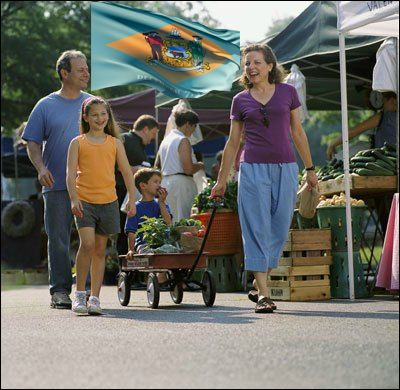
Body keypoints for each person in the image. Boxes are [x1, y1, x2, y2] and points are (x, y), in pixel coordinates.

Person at [211, 44, 318, 313]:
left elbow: (298, 132)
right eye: (247, 63)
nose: (251, 67)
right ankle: (264, 295)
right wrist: (222, 180)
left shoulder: (288, 93)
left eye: (257, 62)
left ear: (270, 65)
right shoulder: (240, 100)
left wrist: (310, 169)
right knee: (256, 227)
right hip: (252, 169)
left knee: (280, 227)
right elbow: (233, 143)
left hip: (285, 167)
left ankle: (260, 283)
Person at [22, 50, 91, 309]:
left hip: (90, 184)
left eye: (87, 68)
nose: (86, 72)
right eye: (80, 69)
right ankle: (60, 292)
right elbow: (32, 141)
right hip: (57, 186)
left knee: (93, 239)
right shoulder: (45, 105)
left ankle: (88, 291)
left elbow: (110, 140)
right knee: (59, 240)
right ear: (65, 73)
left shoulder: (93, 104)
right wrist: (40, 168)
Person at [66, 96, 136, 315]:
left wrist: (132, 199)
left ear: (108, 116)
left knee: (99, 250)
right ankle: (79, 294)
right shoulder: (77, 142)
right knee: (86, 244)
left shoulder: (115, 143)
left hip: (108, 202)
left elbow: (126, 172)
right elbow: (69, 174)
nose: (99, 118)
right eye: (94, 115)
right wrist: (73, 198)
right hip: (84, 201)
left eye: (103, 114)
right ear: (86, 117)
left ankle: (95, 298)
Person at [115, 115, 160, 255]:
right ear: (145, 129)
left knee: (132, 232)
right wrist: (138, 169)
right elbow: (116, 165)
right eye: (153, 133)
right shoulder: (125, 139)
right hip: (122, 193)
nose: (152, 139)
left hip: (132, 195)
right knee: (125, 232)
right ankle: (124, 270)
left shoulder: (137, 144)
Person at [125, 168, 172, 285]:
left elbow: (168, 222)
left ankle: (163, 276)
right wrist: (131, 249)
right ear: (143, 185)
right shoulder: (136, 207)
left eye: (160, 182)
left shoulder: (161, 204)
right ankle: (159, 276)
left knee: (173, 250)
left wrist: (161, 202)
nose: (159, 185)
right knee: (149, 252)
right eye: (155, 182)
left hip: (163, 242)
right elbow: (131, 231)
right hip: (143, 244)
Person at [156, 109, 204, 222]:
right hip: (181, 185)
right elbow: (188, 169)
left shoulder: (165, 140)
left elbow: (157, 165)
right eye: (194, 127)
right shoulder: (183, 140)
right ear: (188, 124)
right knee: (182, 220)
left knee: (170, 221)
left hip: (166, 182)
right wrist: (200, 165)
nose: (193, 131)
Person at [326, 91, 397, 159]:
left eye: (383, 101)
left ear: (391, 100)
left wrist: (332, 144)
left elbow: (353, 132)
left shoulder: (384, 116)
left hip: (386, 164)